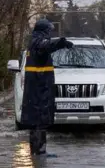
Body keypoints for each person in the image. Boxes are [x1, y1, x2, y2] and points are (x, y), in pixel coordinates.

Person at [20, 19, 73, 156]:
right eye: (49, 30)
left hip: (38, 88)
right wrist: (60, 43)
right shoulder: (37, 41)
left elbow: (46, 46)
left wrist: (60, 44)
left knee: (37, 121)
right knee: (39, 120)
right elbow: (46, 46)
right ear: (44, 30)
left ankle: (37, 152)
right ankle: (39, 152)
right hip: (39, 88)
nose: (50, 33)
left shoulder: (34, 41)